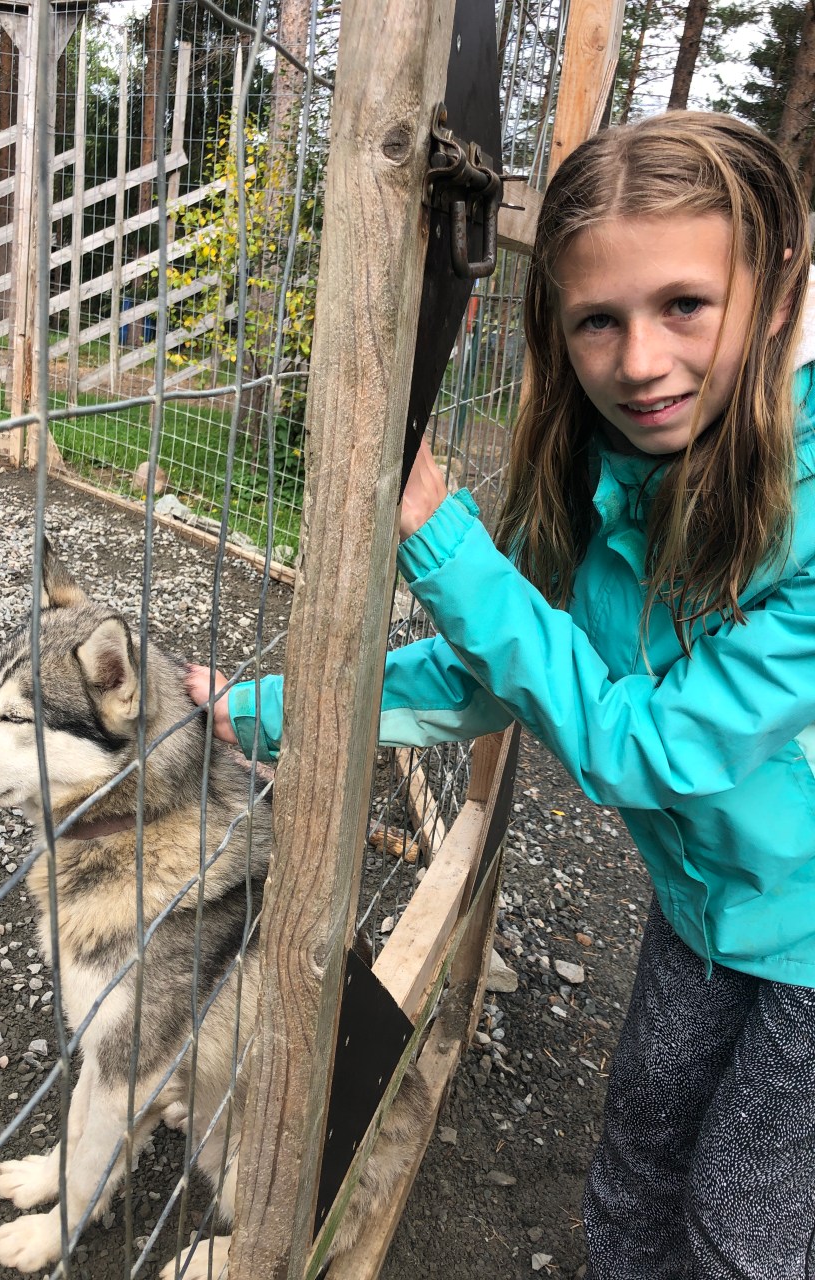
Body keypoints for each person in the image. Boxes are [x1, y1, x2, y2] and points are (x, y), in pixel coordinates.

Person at [186, 111, 815, 1279]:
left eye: (685, 304)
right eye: (598, 319)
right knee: (636, 1158)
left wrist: (443, 542)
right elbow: (488, 673)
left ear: (774, 295)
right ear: (556, 329)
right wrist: (259, 709)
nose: (639, 361)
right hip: (704, 901)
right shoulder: (599, 471)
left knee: (743, 1226)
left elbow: (648, 747)